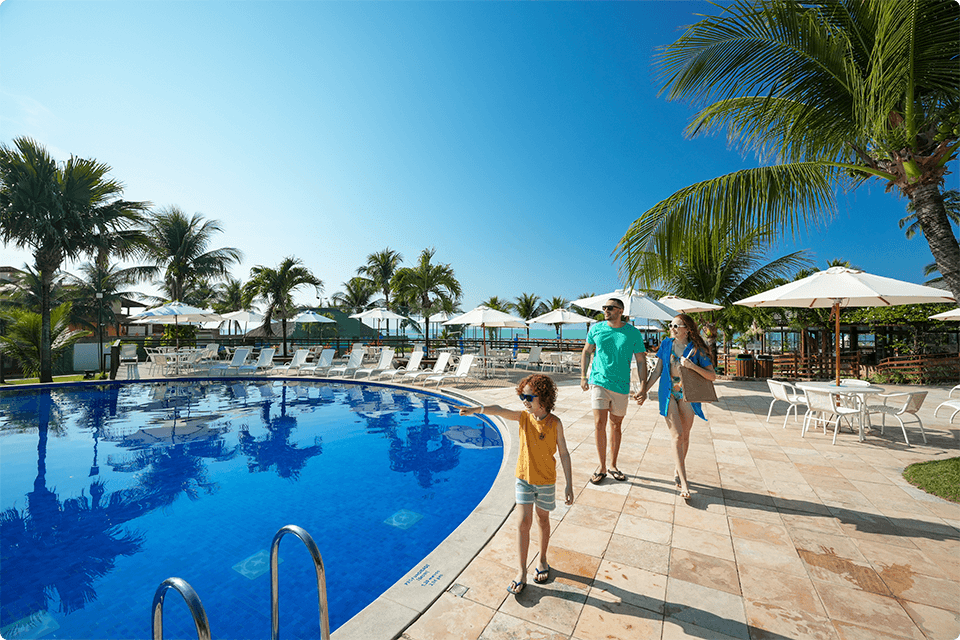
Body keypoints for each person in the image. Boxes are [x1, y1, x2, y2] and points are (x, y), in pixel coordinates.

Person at [459, 373, 573, 595]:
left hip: (546, 481)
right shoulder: (523, 418)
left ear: (544, 398)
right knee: (522, 523)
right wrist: (477, 410)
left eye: (529, 397)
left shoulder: (555, 423)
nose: (524, 401)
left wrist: (569, 484)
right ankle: (521, 571)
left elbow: (564, 453)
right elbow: (499, 410)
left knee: (542, 520)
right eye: (522, 396)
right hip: (524, 479)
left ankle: (542, 559)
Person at [638, 313, 716, 500]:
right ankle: (684, 481)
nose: (671, 328)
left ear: (687, 329)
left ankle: (677, 468)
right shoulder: (666, 344)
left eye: (676, 326)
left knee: (685, 436)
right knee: (677, 435)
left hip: (688, 395)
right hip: (668, 393)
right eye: (671, 325)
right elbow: (657, 371)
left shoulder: (696, 349)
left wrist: (691, 366)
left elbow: (712, 376)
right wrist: (644, 390)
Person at [580, 298, 646, 484]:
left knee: (616, 425)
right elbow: (586, 352)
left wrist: (643, 386)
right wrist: (583, 376)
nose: (606, 311)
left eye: (610, 308)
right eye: (604, 308)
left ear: (620, 311)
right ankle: (601, 467)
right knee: (599, 423)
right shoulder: (596, 329)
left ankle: (613, 465)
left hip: (621, 385)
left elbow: (641, 361)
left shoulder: (632, 333)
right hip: (599, 381)